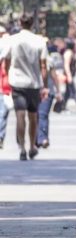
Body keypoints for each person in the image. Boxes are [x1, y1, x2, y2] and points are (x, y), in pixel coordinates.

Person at [3, 13, 48, 160]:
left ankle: (22, 147)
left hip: (17, 83)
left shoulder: (12, 40)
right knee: (33, 116)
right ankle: (32, 147)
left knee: (20, 116)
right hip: (33, 83)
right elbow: (43, 65)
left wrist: (10, 72)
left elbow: (6, 60)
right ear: (32, 24)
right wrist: (45, 84)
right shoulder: (39, 41)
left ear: (20, 24)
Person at [36, 41, 63, 148]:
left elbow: (54, 77)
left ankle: (43, 139)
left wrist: (58, 92)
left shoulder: (49, 60)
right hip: (35, 90)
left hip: (48, 92)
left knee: (42, 114)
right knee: (37, 115)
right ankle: (38, 138)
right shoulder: (32, 59)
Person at [62, 39, 76, 111]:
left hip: (70, 75)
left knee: (68, 92)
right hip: (69, 75)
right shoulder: (68, 53)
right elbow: (66, 65)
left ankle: (62, 106)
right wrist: (69, 76)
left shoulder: (70, 52)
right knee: (73, 91)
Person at [0, 26, 11, 149]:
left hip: (4, 85)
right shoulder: (5, 46)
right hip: (3, 85)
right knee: (2, 112)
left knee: (3, 112)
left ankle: (0, 136)